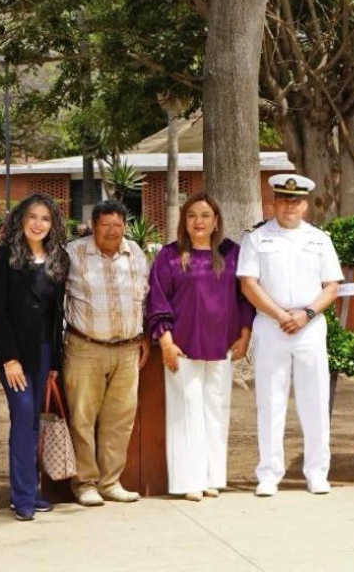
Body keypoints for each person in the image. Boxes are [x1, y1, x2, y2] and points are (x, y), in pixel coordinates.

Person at [238, 173, 343, 496]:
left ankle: (317, 471)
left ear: (306, 205)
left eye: (295, 201)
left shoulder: (319, 239)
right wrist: (282, 315)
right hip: (272, 326)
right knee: (269, 400)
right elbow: (248, 284)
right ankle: (269, 473)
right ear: (274, 202)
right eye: (284, 200)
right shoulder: (256, 238)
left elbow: (332, 286)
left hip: (310, 326)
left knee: (315, 399)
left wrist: (306, 314)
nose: (289, 207)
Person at [146, 193, 254, 502]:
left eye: (205, 215)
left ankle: (211, 477)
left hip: (223, 346)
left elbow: (245, 297)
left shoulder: (232, 254)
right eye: (192, 215)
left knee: (215, 411)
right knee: (186, 412)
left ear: (216, 220)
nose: (199, 221)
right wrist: (165, 341)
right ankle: (188, 480)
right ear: (184, 220)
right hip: (182, 346)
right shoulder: (169, 255)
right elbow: (157, 301)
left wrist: (245, 335)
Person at [0, 194, 69, 521]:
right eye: (32, 216)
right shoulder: (4, 257)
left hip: (44, 350)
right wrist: (10, 357)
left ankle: (31, 491)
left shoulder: (58, 260)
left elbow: (56, 315)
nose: (38, 224)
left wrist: (56, 363)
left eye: (45, 218)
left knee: (32, 422)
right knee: (23, 416)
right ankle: (22, 498)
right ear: (21, 219)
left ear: (52, 224)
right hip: (13, 353)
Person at [63, 200, 151, 507]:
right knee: (82, 418)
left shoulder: (135, 252)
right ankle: (85, 483)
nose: (112, 232)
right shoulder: (73, 253)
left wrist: (144, 336)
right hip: (85, 348)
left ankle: (110, 482)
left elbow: (144, 298)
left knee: (120, 419)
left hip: (127, 350)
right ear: (93, 225)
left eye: (118, 225)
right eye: (105, 225)